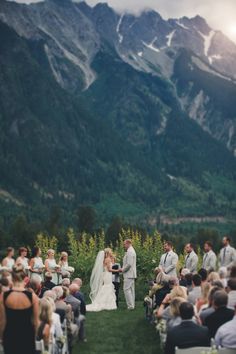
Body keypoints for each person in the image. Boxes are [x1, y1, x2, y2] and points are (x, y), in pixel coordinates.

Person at [0, 264, 39, 354]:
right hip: (27, 335)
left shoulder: (4, 296)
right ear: (24, 278)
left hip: (9, 335)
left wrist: (1, 337)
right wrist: (35, 336)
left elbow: (2, 321)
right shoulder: (33, 297)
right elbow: (36, 321)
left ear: (12, 278)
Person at [121, 239, 137, 310]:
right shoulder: (130, 251)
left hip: (129, 274)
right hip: (131, 274)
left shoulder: (130, 252)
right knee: (130, 290)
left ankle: (130, 306)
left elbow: (129, 264)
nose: (123, 246)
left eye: (124, 244)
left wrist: (122, 270)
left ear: (128, 243)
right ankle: (132, 305)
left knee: (126, 289)